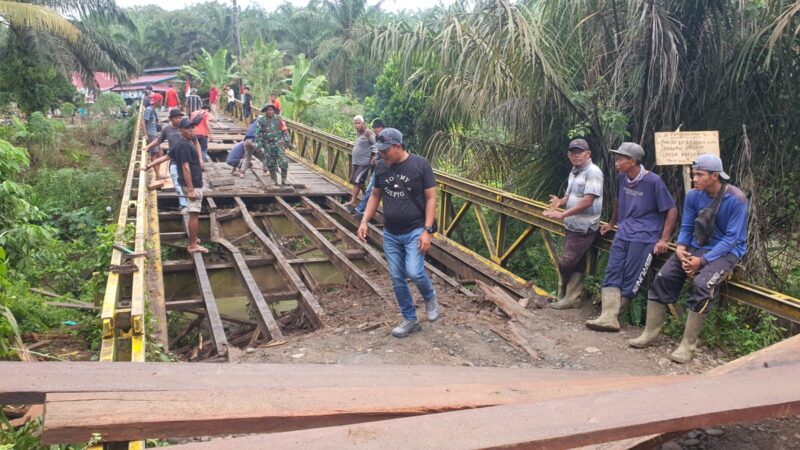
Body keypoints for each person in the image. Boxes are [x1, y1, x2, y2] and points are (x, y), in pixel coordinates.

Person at [629, 154, 747, 363]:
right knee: (663, 278)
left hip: (727, 252)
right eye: (694, 175)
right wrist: (681, 248)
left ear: (715, 176)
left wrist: (701, 262)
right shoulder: (693, 195)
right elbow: (687, 226)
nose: (695, 179)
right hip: (696, 245)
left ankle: (688, 345)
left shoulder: (736, 199)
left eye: (700, 175)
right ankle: (649, 333)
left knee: (703, 284)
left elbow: (731, 239)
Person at [585, 143, 677, 332]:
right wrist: (611, 223)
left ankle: (614, 317)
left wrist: (664, 239)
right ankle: (607, 316)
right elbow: (618, 201)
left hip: (645, 236)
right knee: (612, 270)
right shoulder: (622, 178)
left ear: (632, 161)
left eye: (620, 159)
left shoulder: (653, 182)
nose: (616, 162)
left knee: (631, 277)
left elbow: (671, 210)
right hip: (623, 232)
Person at [357, 128, 440, 338]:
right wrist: (365, 220)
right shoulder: (382, 166)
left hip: (415, 230)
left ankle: (429, 296)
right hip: (391, 233)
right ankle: (410, 319)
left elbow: (431, 199)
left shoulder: (420, 165)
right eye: (380, 151)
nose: (382, 154)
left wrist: (427, 231)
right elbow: (375, 196)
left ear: (398, 146)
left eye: (385, 150)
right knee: (396, 277)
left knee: (414, 271)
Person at [543, 138, 604, 309]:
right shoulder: (575, 171)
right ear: (569, 155)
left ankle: (567, 295)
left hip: (585, 226)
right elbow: (569, 196)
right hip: (572, 224)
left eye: (580, 152)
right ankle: (569, 297)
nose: (576, 156)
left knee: (567, 261)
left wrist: (562, 215)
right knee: (576, 261)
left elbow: (588, 201)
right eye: (573, 153)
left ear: (588, 154)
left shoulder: (593, 172)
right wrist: (560, 203)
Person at [144, 109, 202, 212]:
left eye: (180, 117)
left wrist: (200, 158)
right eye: (176, 118)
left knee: (187, 180)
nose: (178, 119)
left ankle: (188, 201)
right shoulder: (167, 130)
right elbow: (159, 141)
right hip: (175, 160)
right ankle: (183, 204)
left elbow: (196, 143)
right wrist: (148, 146)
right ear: (171, 119)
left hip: (188, 159)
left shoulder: (188, 130)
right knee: (177, 181)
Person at [172, 117, 208, 254]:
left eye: (193, 127)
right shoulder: (185, 145)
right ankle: (193, 245)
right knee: (194, 213)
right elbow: (185, 167)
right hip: (193, 184)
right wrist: (192, 189)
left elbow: (168, 156)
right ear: (181, 130)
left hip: (188, 182)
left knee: (193, 212)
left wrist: (148, 166)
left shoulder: (182, 142)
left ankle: (194, 238)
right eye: (188, 128)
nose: (192, 130)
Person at [354, 119, 385, 217]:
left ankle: (361, 209)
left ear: (381, 127)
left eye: (376, 128)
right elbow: (376, 148)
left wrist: (377, 157)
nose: (375, 130)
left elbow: (385, 151)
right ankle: (362, 209)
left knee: (372, 189)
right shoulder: (377, 136)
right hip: (378, 166)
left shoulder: (384, 137)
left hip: (384, 167)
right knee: (372, 189)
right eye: (374, 128)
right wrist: (374, 156)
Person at [345, 115, 376, 211]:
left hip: (364, 162)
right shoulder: (358, 133)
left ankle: (353, 201)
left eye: (358, 123)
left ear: (363, 123)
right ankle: (365, 193)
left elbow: (376, 145)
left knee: (357, 180)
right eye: (355, 123)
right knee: (356, 179)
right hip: (356, 161)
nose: (357, 125)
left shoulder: (368, 133)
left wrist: (374, 156)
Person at [255, 104, 291, 185]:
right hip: (267, 144)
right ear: (265, 111)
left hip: (279, 142)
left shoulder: (278, 118)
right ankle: (274, 180)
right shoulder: (261, 120)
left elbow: (284, 130)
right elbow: (258, 134)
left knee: (284, 161)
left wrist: (288, 141)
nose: (271, 111)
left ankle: (284, 179)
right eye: (269, 110)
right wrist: (258, 145)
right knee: (271, 163)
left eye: (272, 109)